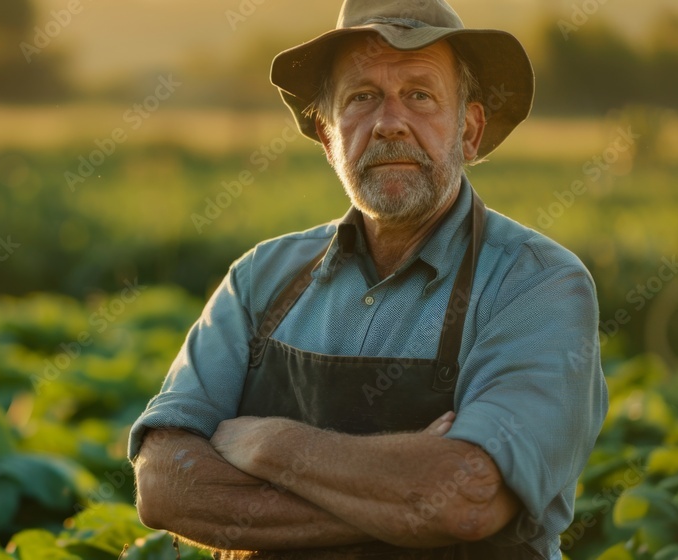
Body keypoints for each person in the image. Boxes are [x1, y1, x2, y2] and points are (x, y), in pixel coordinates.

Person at [127, 0, 609, 558]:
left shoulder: (537, 285)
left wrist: (269, 443)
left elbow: (466, 498)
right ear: (327, 136)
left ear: (469, 130)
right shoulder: (260, 278)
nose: (389, 123)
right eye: (361, 98)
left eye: (421, 95)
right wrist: (402, 503)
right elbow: (163, 486)